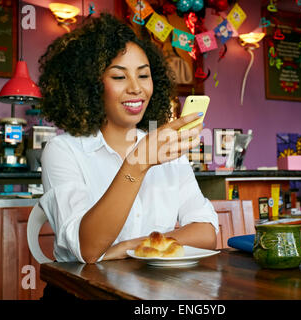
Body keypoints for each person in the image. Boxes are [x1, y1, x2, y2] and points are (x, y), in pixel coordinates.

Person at [37, 12, 218, 265]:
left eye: (143, 75)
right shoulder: (63, 150)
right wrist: (138, 163)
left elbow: (206, 232)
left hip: (153, 291)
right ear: (91, 85)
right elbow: (88, 249)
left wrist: (131, 247)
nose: (136, 88)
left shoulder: (166, 147)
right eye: (119, 76)